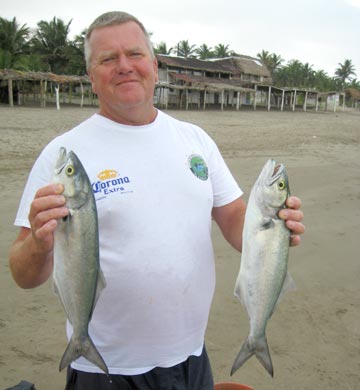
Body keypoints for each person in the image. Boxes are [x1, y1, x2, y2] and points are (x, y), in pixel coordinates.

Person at [8, 11, 305, 390]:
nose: (124, 67)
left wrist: (275, 227)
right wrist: (38, 241)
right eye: (108, 59)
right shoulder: (63, 155)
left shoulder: (196, 140)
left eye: (134, 54)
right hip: (107, 370)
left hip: (191, 357)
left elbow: (233, 217)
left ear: (154, 65)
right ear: (92, 78)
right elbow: (23, 275)